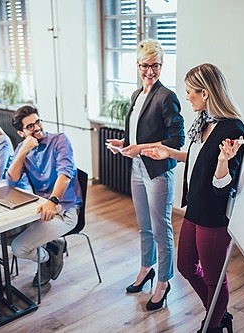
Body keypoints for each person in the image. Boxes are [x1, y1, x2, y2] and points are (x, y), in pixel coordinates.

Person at [141, 63, 244, 333]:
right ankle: (218, 314)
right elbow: (200, 159)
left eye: (190, 92)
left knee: (214, 278)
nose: (187, 97)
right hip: (195, 208)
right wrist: (171, 154)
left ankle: (212, 325)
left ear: (206, 93)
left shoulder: (232, 128)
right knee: (186, 265)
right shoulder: (204, 122)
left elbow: (223, 185)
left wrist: (224, 161)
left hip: (213, 215)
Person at [106, 39, 185, 310]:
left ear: (162, 65)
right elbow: (138, 132)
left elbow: (177, 140)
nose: (149, 71)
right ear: (137, 65)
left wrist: (141, 148)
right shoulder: (136, 95)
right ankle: (145, 269)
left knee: (161, 227)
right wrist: (124, 143)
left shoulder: (167, 97)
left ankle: (163, 281)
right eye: (144, 65)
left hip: (158, 170)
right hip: (138, 168)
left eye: (155, 65)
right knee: (144, 227)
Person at [6, 105, 82, 286]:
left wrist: (52, 201)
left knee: (18, 248)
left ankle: (48, 257)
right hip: (39, 210)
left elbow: (65, 174)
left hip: (64, 210)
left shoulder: (60, 140)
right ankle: (53, 246)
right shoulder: (22, 148)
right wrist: (23, 151)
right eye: (30, 126)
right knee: (4, 236)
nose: (37, 127)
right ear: (21, 132)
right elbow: (11, 181)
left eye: (37, 121)